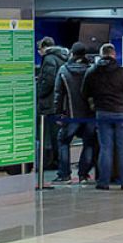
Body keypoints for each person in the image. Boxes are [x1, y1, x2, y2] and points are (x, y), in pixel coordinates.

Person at [82, 44, 123, 191]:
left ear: (101, 55)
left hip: (102, 113)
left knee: (105, 148)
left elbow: (84, 92)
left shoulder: (92, 72)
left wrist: (93, 106)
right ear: (114, 55)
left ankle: (103, 182)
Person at [53, 42, 97, 184]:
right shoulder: (92, 69)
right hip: (90, 115)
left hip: (71, 115)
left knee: (63, 142)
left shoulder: (64, 70)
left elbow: (58, 94)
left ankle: (64, 174)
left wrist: (58, 113)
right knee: (89, 143)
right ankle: (83, 174)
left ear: (72, 53)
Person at [35, 37, 69, 170]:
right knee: (57, 137)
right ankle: (57, 162)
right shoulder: (62, 57)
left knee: (49, 137)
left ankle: (52, 163)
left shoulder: (49, 59)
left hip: (49, 104)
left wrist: (39, 93)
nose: (39, 52)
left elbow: (48, 81)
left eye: (39, 49)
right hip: (58, 103)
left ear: (44, 47)